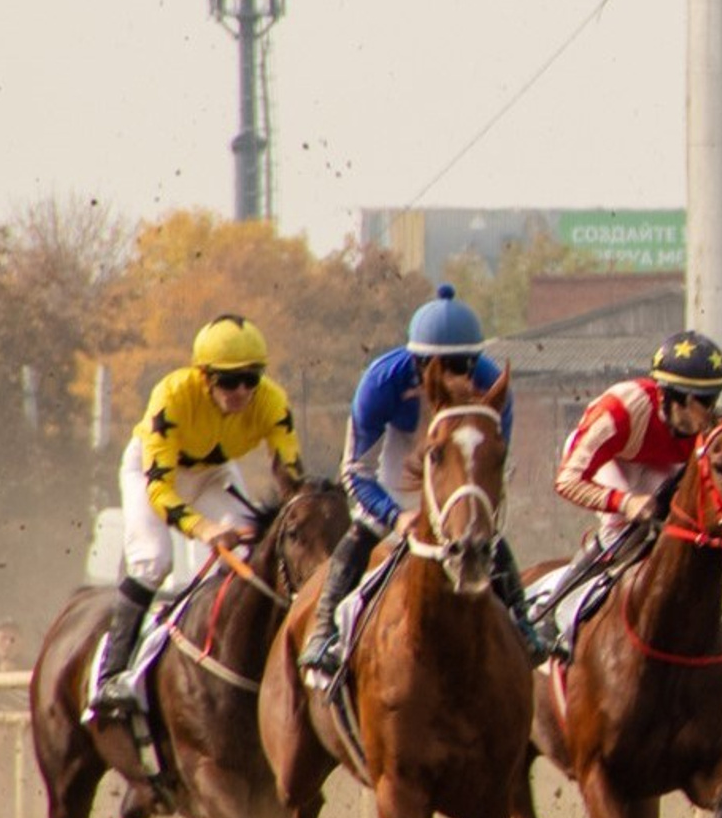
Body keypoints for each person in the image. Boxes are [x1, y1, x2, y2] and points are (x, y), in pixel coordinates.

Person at [300, 285, 550, 673]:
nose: (450, 378)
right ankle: (323, 630)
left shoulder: (492, 386)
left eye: (460, 366)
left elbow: (492, 465)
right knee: (361, 534)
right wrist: (393, 515)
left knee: (491, 542)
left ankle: (524, 625)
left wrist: (478, 512)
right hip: (398, 474)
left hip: (455, 481)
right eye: (438, 367)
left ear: (474, 361)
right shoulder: (381, 381)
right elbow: (355, 471)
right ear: (417, 362)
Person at [89, 315, 305, 744]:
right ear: (203, 377)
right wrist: (203, 529)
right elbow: (160, 491)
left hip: (212, 473)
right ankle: (111, 673)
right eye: (229, 381)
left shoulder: (273, 402)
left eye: (250, 379)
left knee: (252, 555)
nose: (242, 391)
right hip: (153, 475)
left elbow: (290, 475)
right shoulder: (172, 396)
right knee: (154, 559)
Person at [537, 328, 722, 658]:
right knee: (623, 528)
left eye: (714, 398)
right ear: (674, 397)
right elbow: (567, 481)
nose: (710, 412)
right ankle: (550, 608)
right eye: (703, 402)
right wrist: (624, 502)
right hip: (610, 459)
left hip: (659, 464)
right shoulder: (620, 412)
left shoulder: (702, 429)